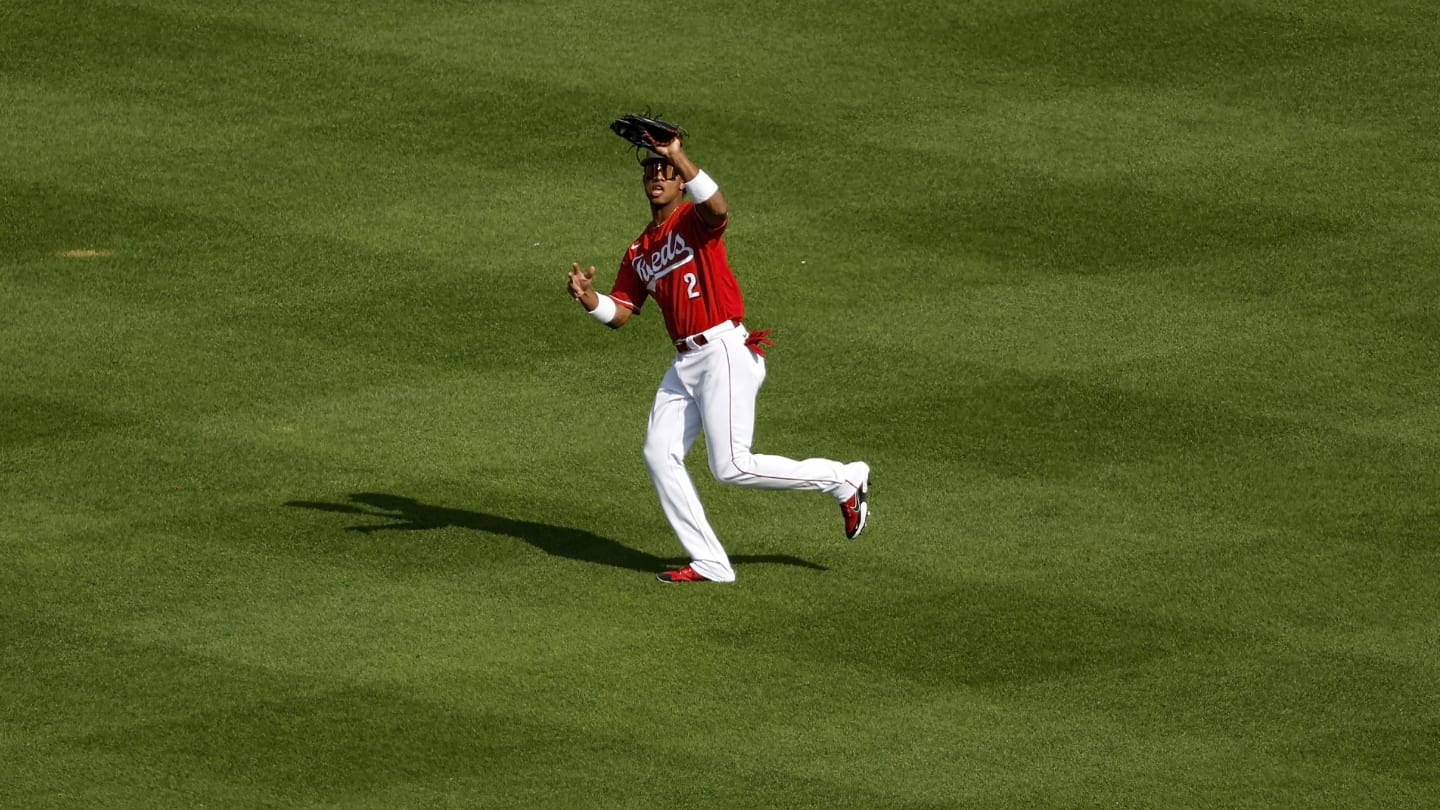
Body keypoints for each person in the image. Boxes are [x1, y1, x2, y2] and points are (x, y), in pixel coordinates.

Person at [566, 134, 870, 583]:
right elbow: (623, 314)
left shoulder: (694, 221)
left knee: (731, 467)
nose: (657, 177)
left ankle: (843, 479)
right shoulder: (638, 251)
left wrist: (679, 156)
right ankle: (709, 560)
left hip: (724, 350)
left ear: (680, 185)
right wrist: (591, 300)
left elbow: (720, 208)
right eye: (651, 171)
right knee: (658, 452)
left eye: (666, 172)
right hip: (685, 363)